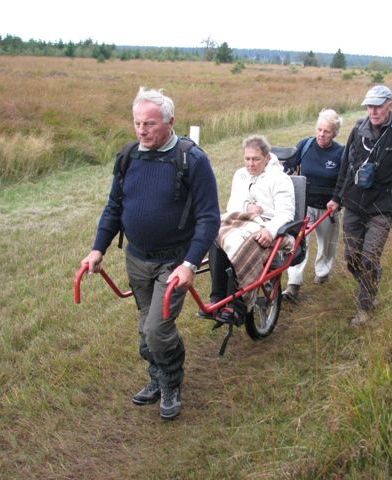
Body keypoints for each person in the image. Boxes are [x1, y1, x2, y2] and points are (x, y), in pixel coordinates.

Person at [80, 87, 220, 420]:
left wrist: (189, 263)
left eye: (150, 124)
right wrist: (98, 248)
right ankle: (156, 377)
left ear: (170, 122)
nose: (142, 131)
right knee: (147, 328)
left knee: (158, 329)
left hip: (174, 262)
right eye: (137, 123)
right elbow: (114, 206)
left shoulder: (192, 159)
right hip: (137, 257)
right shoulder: (129, 156)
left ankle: (172, 383)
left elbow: (209, 217)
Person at [327, 85, 392, 326]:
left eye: (378, 106)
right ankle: (371, 280)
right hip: (354, 202)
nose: (373, 111)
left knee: (369, 257)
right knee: (352, 257)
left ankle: (365, 307)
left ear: (390, 105)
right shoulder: (357, 130)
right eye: (370, 106)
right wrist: (337, 198)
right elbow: (346, 168)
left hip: (384, 205)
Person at [206, 135, 295, 319]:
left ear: (267, 158)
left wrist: (269, 230)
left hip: (268, 226)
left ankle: (238, 305)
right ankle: (217, 298)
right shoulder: (240, 175)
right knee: (215, 235)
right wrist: (247, 208)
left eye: (256, 159)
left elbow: (286, 213)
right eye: (247, 159)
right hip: (241, 221)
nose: (250, 164)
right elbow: (233, 206)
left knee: (242, 244)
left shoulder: (280, 179)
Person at [281, 109, 344, 301]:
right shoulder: (305, 145)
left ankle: (322, 273)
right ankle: (293, 284)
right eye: (319, 129)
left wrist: (338, 200)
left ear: (334, 133)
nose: (322, 134)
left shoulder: (341, 152)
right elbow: (288, 166)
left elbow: (344, 180)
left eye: (327, 131)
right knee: (299, 242)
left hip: (328, 206)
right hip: (305, 204)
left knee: (327, 244)